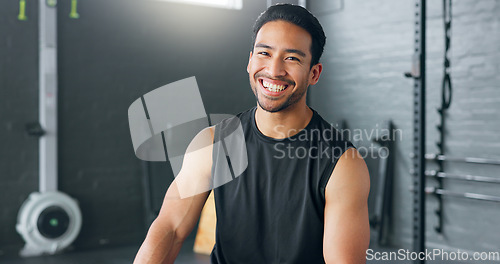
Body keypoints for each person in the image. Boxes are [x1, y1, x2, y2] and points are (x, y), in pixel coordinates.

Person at [134, 4, 370, 264]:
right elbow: (170, 228)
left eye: (292, 58)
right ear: (250, 61)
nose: (274, 69)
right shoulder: (213, 143)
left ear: (314, 73)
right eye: (264, 53)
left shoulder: (342, 164)